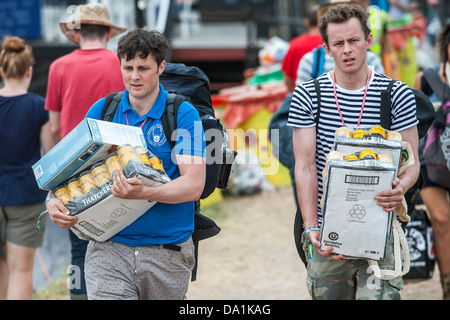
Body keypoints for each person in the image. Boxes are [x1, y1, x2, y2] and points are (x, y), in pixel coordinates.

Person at [46, 29, 206, 300]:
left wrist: (146, 193)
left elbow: (193, 185)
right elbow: (67, 175)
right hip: (108, 250)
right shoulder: (103, 110)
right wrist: (52, 201)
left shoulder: (182, 113)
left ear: (161, 67)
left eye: (143, 68)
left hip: (166, 252)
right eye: (128, 67)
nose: (134, 76)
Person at [288, 4, 420, 299]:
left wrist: (402, 186)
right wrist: (311, 228)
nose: (347, 50)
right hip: (328, 230)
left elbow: (413, 164)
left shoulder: (396, 94)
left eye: (354, 40)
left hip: (381, 226)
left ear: (368, 41)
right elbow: (305, 166)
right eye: (338, 43)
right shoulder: (309, 95)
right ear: (327, 48)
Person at [44, 2, 126, 300]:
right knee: (120, 242)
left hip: (73, 171)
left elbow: (54, 128)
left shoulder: (58, 67)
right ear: (107, 33)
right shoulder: (121, 63)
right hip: (117, 166)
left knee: (79, 248)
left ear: (76, 34)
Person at [0, 36, 55, 299]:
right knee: (21, 271)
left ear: (2, 70)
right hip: (26, 196)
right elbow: (49, 154)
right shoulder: (38, 106)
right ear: (29, 71)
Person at [413, 23, 450, 300]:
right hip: (431, 163)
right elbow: (413, 126)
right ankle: (447, 287)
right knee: (441, 219)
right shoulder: (425, 78)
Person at [281, 5, 323, 92]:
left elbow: (288, 78)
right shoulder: (333, 44)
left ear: (306, 23)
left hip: (301, 96)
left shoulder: (295, 44)